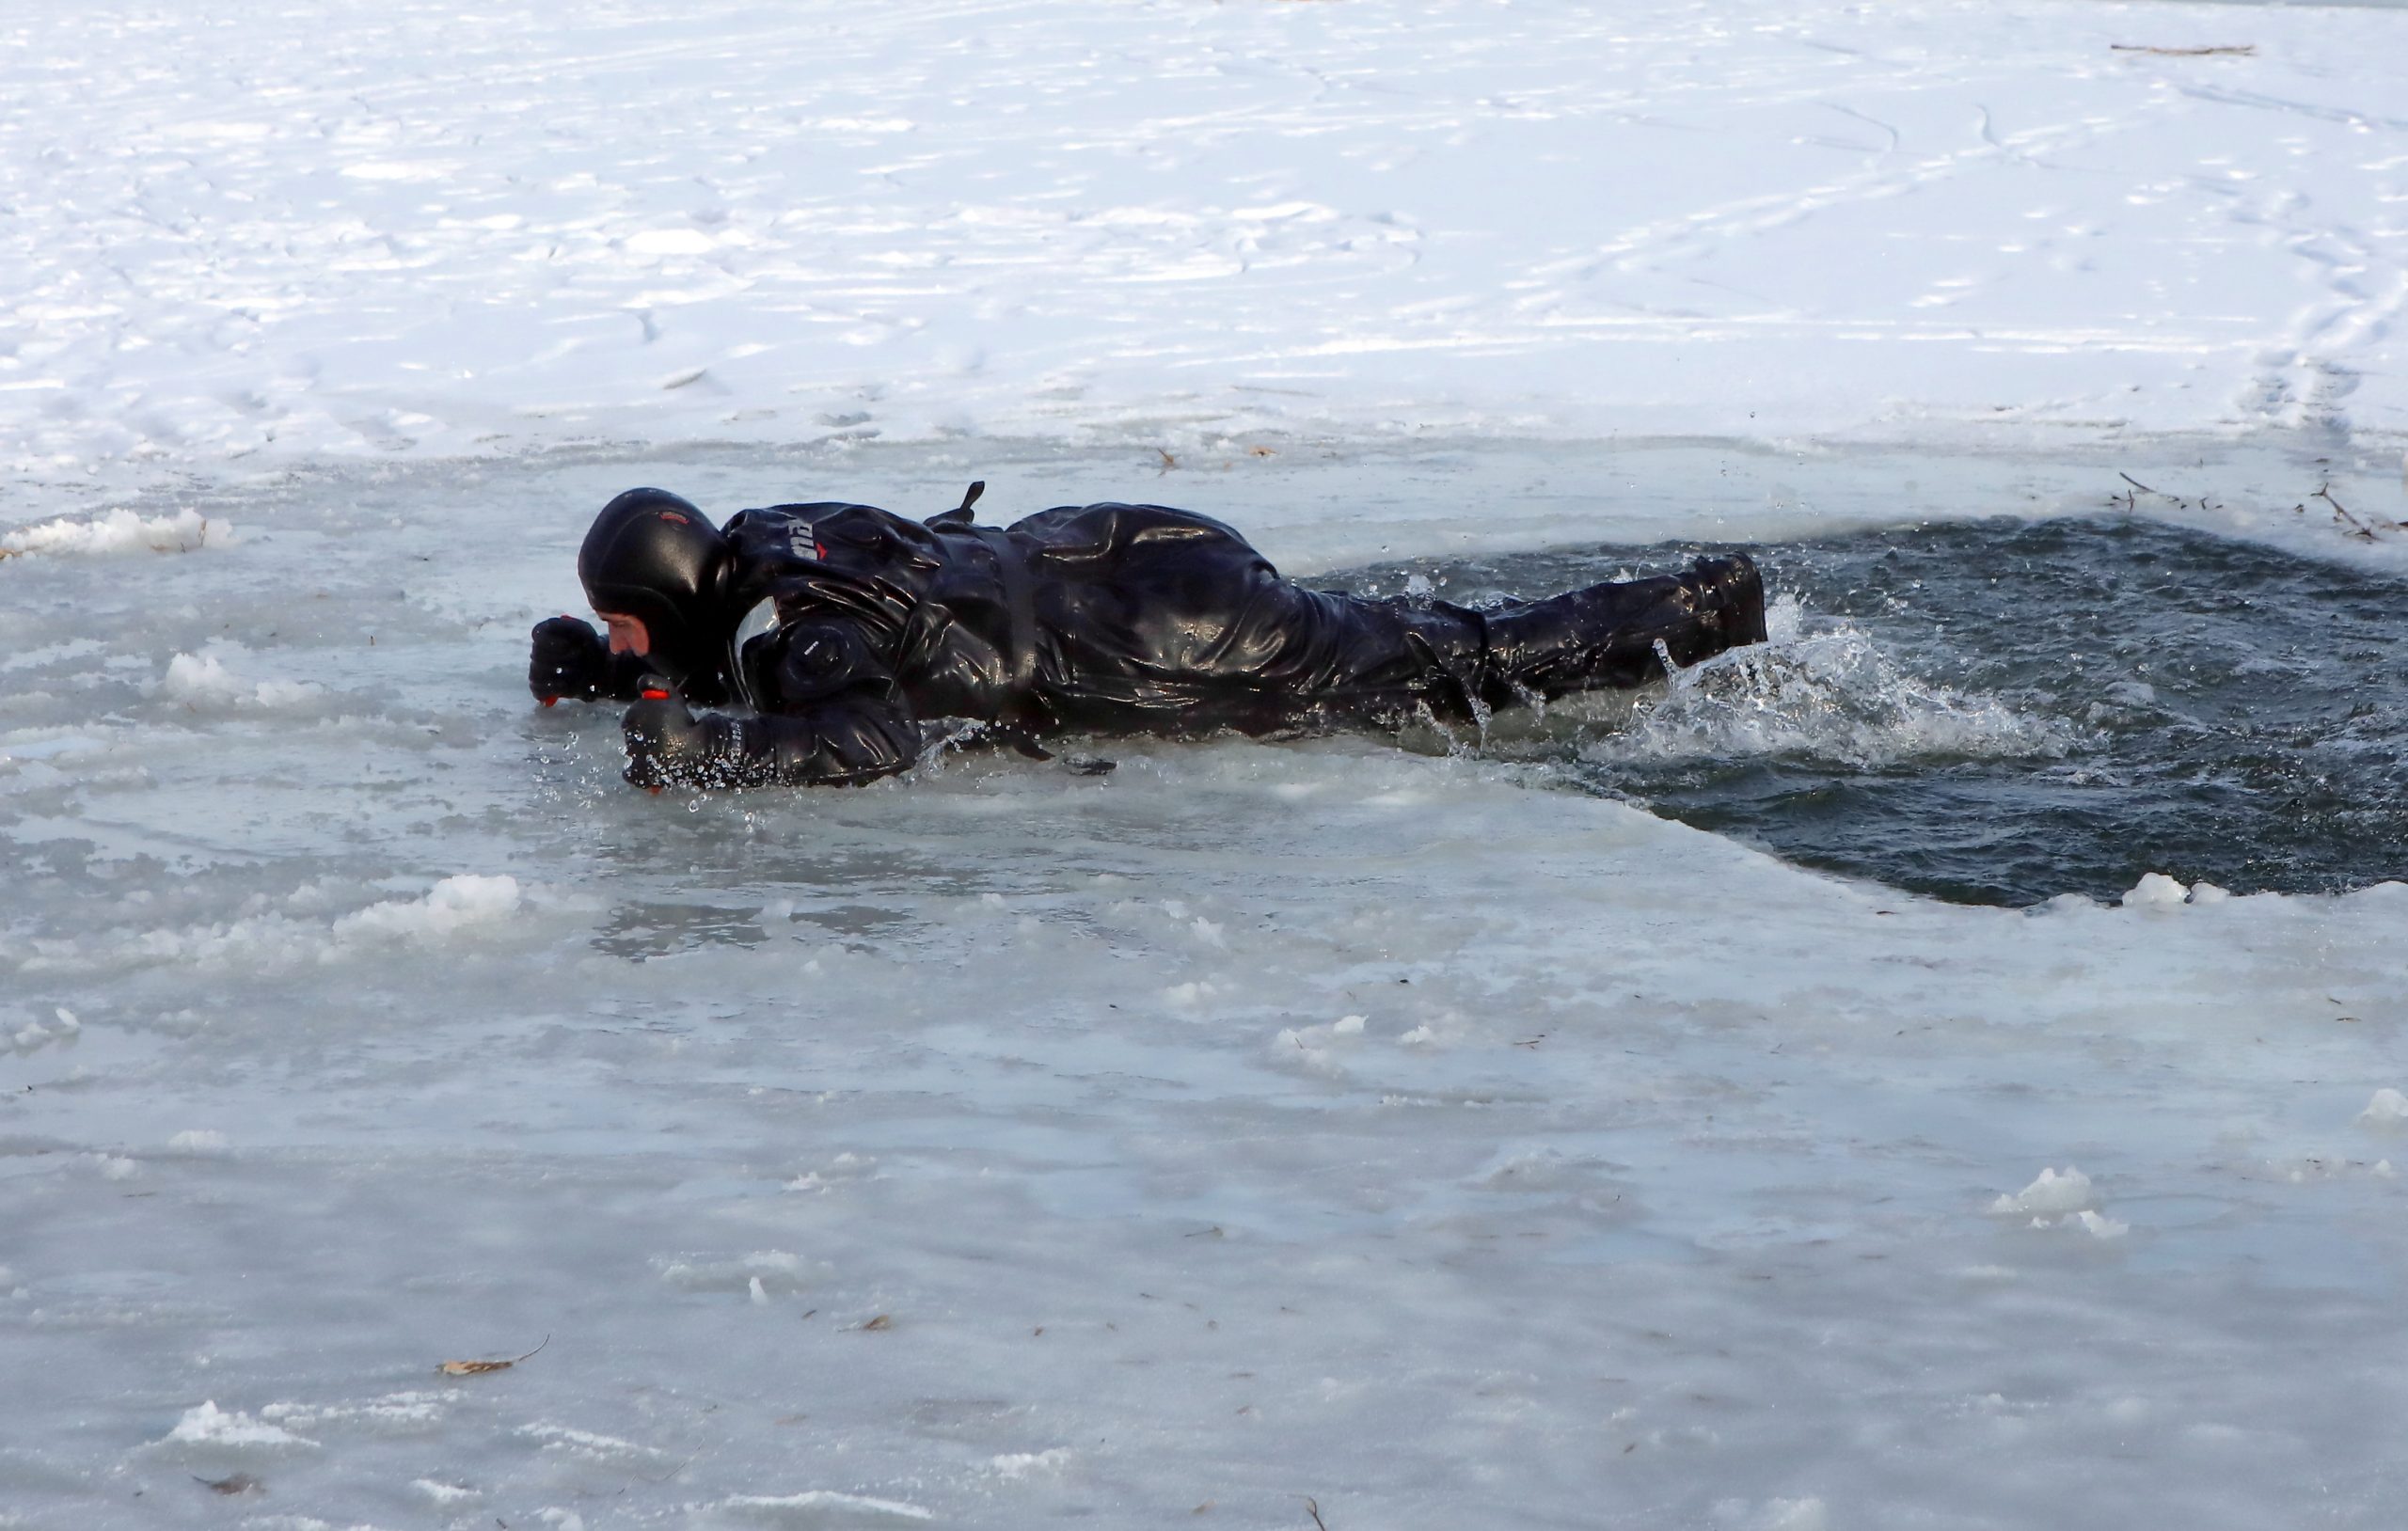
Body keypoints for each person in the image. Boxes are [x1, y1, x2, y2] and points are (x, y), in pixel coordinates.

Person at [529, 483, 1767, 789]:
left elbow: (870, 735)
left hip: (1169, 634)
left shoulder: (809, 640)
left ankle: (1707, 613)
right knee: (1421, 638)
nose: (628, 640)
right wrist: (617, 676)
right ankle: (1686, 608)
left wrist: (715, 754)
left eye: (625, 617)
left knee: (1463, 670)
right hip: (1118, 548)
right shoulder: (779, 536)